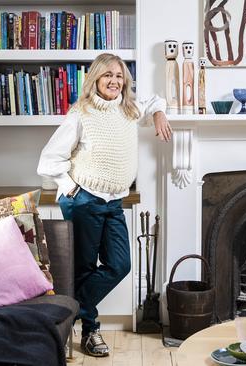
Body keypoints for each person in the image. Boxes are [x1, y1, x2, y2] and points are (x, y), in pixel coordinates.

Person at [37, 53, 172, 357]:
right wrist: (70, 186)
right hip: (83, 200)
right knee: (84, 268)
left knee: (119, 264)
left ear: (125, 81)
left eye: (119, 76)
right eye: (107, 75)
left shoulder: (129, 108)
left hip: (114, 202)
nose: (114, 81)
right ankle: (90, 332)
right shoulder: (80, 114)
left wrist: (160, 114)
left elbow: (156, 101)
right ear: (95, 79)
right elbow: (49, 159)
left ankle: (67, 308)